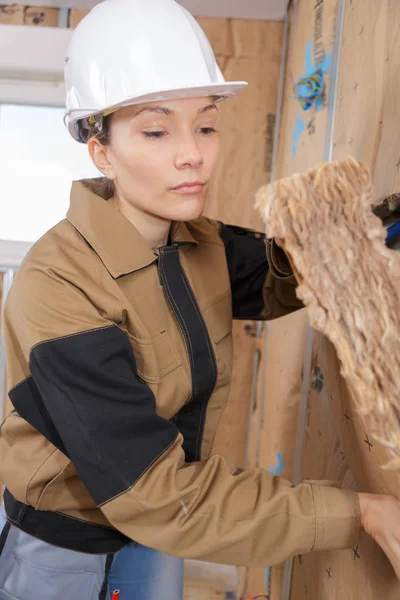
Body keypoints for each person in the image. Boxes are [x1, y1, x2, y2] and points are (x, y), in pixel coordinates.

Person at [0, 0, 399, 598]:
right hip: (68, 545)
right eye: (157, 130)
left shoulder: (198, 242)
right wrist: (361, 511)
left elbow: (283, 272)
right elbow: (148, 491)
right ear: (101, 149)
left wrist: (383, 226)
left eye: (206, 123)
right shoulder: (59, 287)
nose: (194, 153)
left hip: (166, 525)